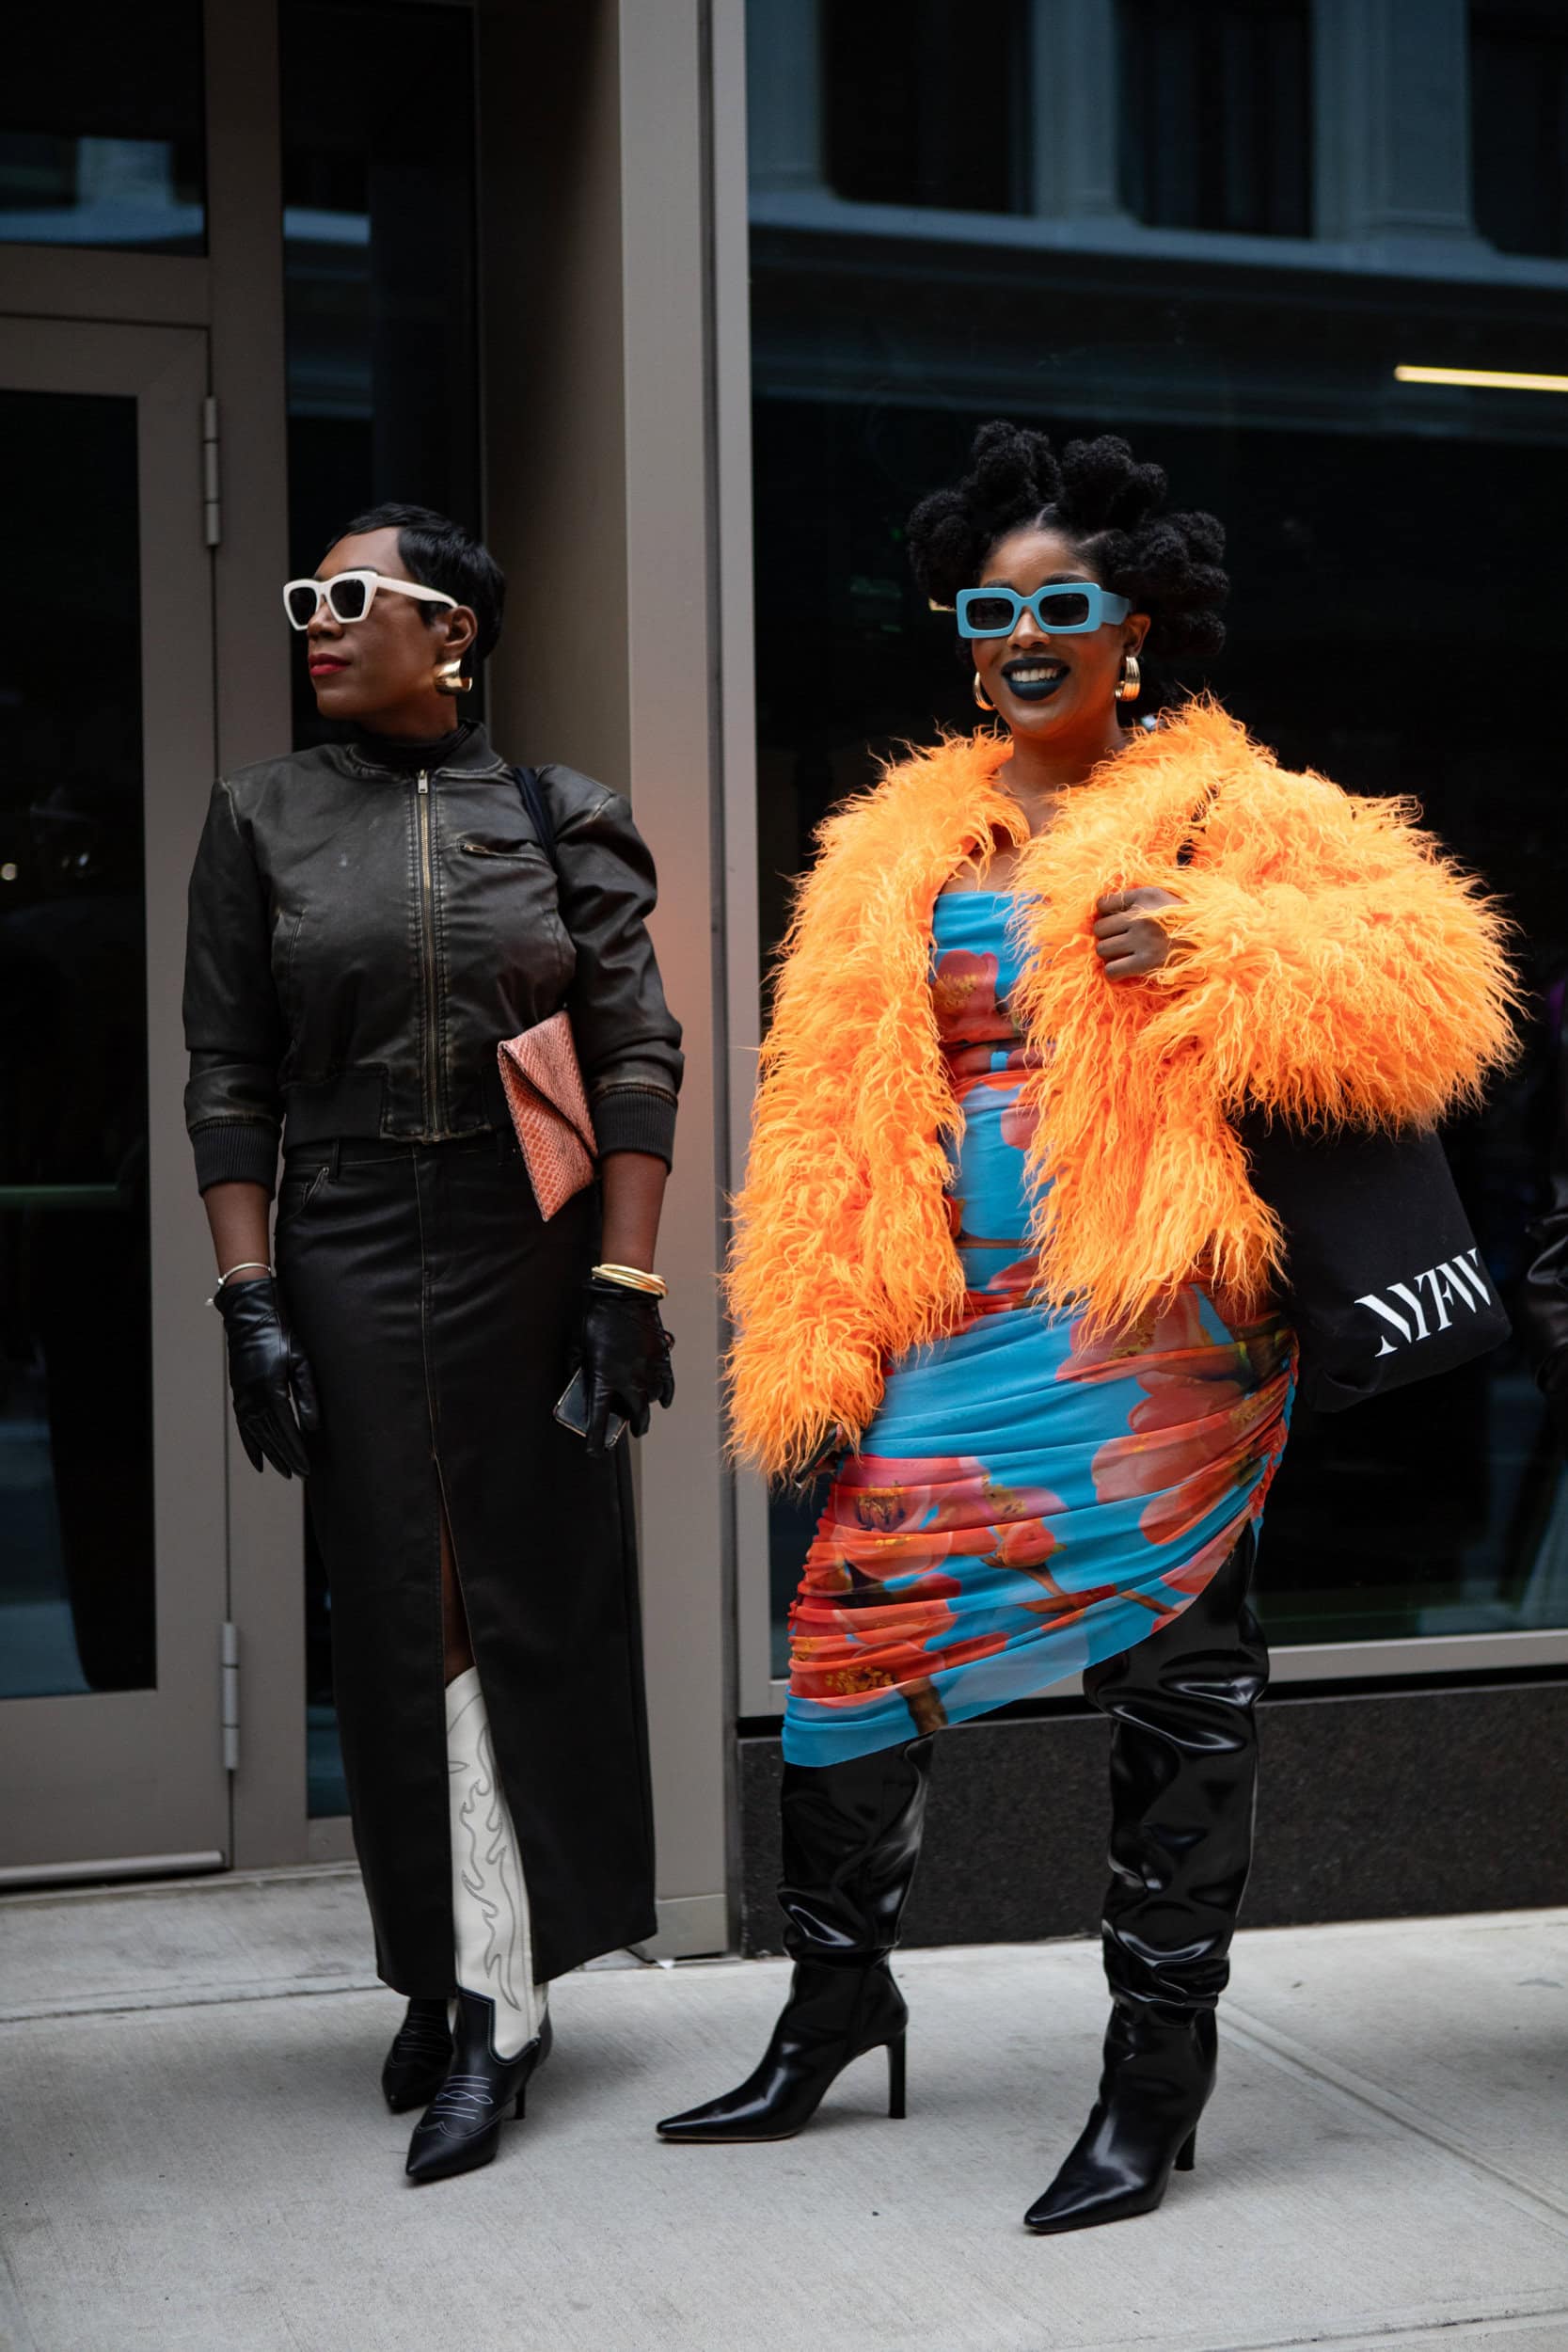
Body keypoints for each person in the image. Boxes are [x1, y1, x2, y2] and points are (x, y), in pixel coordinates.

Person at [656, 423, 1515, 2232]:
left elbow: (1437, 992)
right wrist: (821, 1320)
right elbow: (827, 1108)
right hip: (952, 1321)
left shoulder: (1237, 810)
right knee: (843, 1649)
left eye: (1063, 607)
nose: (1025, 638)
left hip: (1159, 1323)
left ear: (1137, 631)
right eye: (993, 613)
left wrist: (1219, 938)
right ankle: (836, 2003)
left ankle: (1154, 2070)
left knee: (1182, 1679)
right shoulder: (898, 843)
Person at [182, 503, 681, 2185]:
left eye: (349, 596)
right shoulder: (257, 815)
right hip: (336, 1233)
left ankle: (494, 1996)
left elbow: (634, 1058)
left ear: (453, 631)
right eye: (303, 599)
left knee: (513, 1595)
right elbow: (228, 1073)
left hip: (519, 1240)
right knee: (400, 1605)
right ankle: (444, 1962)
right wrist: (248, 1297)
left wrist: (626, 1285)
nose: (315, 623)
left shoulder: (560, 815)